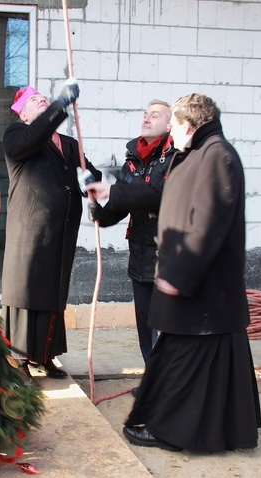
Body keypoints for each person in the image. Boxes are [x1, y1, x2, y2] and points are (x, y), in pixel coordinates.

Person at [123, 93, 261, 452]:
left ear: (186, 125)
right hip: (201, 292)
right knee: (193, 363)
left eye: (173, 126)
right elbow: (161, 194)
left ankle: (171, 432)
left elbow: (207, 226)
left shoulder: (217, 156)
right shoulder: (201, 153)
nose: (171, 134)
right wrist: (111, 192)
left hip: (202, 291)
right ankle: (218, 430)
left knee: (184, 363)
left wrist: (177, 277)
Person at [1, 81, 101, 379]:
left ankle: (44, 356)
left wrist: (92, 180)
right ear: (23, 114)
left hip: (62, 232)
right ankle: (18, 360)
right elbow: (31, 139)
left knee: (53, 292)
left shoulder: (70, 145)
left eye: (44, 98)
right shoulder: (17, 134)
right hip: (30, 230)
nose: (42, 100)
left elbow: (90, 173)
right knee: (27, 290)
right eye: (35, 100)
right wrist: (59, 105)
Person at [86, 100, 175, 365]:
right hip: (140, 256)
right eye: (145, 114)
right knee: (146, 325)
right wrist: (101, 214)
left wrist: (112, 191)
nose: (146, 119)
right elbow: (121, 203)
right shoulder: (133, 159)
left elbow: (157, 195)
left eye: (154, 116)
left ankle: (170, 385)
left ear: (169, 124)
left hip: (167, 256)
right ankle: (152, 380)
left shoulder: (175, 158)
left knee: (169, 326)